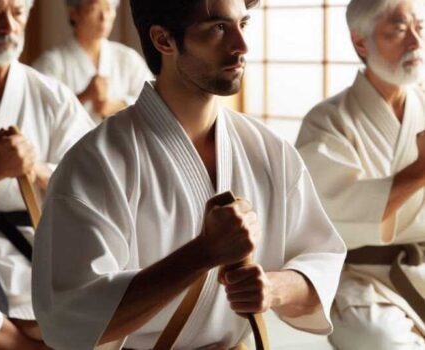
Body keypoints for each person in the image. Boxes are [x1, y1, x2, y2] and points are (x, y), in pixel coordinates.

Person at [32, 0, 346, 349]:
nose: (242, 46)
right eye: (218, 29)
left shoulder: (271, 151)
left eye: (243, 24)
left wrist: (272, 288)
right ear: (164, 40)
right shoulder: (96, 163)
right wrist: (202, 253)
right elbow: (69, 321)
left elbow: (322, 259)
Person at [296, 0, 425, 349]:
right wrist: (417, 173)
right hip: (359, 276)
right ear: (361, 43)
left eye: (419, 27)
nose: (415, 41)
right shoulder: (328, 122)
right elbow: (330, 214)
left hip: (422, 265)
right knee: (379, 338)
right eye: (399, 30)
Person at [0, 0, 94, 348]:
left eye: (17, 12)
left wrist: (37, 170)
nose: (7, 25)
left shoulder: (52, 95)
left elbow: (92, 180)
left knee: (105, 288)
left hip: (36, 239)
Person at [33, 0, 152, 124]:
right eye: (95, 8)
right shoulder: (51, 64)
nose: (104, 17)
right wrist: (84, 96)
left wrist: (112, 106)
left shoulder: (128, 58)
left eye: (109, 8)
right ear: (74, 13)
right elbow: (40, 114)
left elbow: (153, 102)